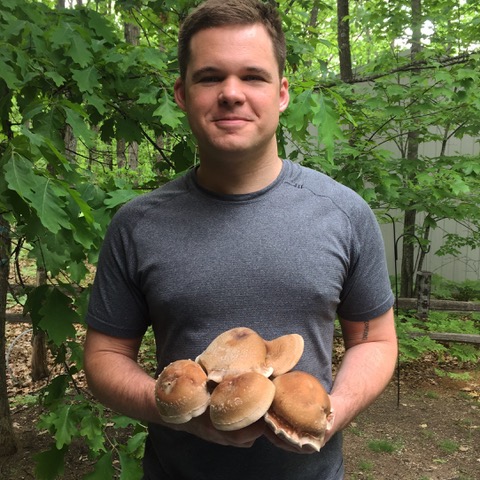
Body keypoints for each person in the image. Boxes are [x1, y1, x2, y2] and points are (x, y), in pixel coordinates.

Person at [83, 0, 398, 478]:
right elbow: (105, 356)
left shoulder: (344, 214)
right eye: (210, 77)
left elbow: (374, 340)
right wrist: (178, 411)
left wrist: (329, 414)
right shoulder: (137, 224)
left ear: (282, 93)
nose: (231, 93)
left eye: (253, 76)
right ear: (183, 94)